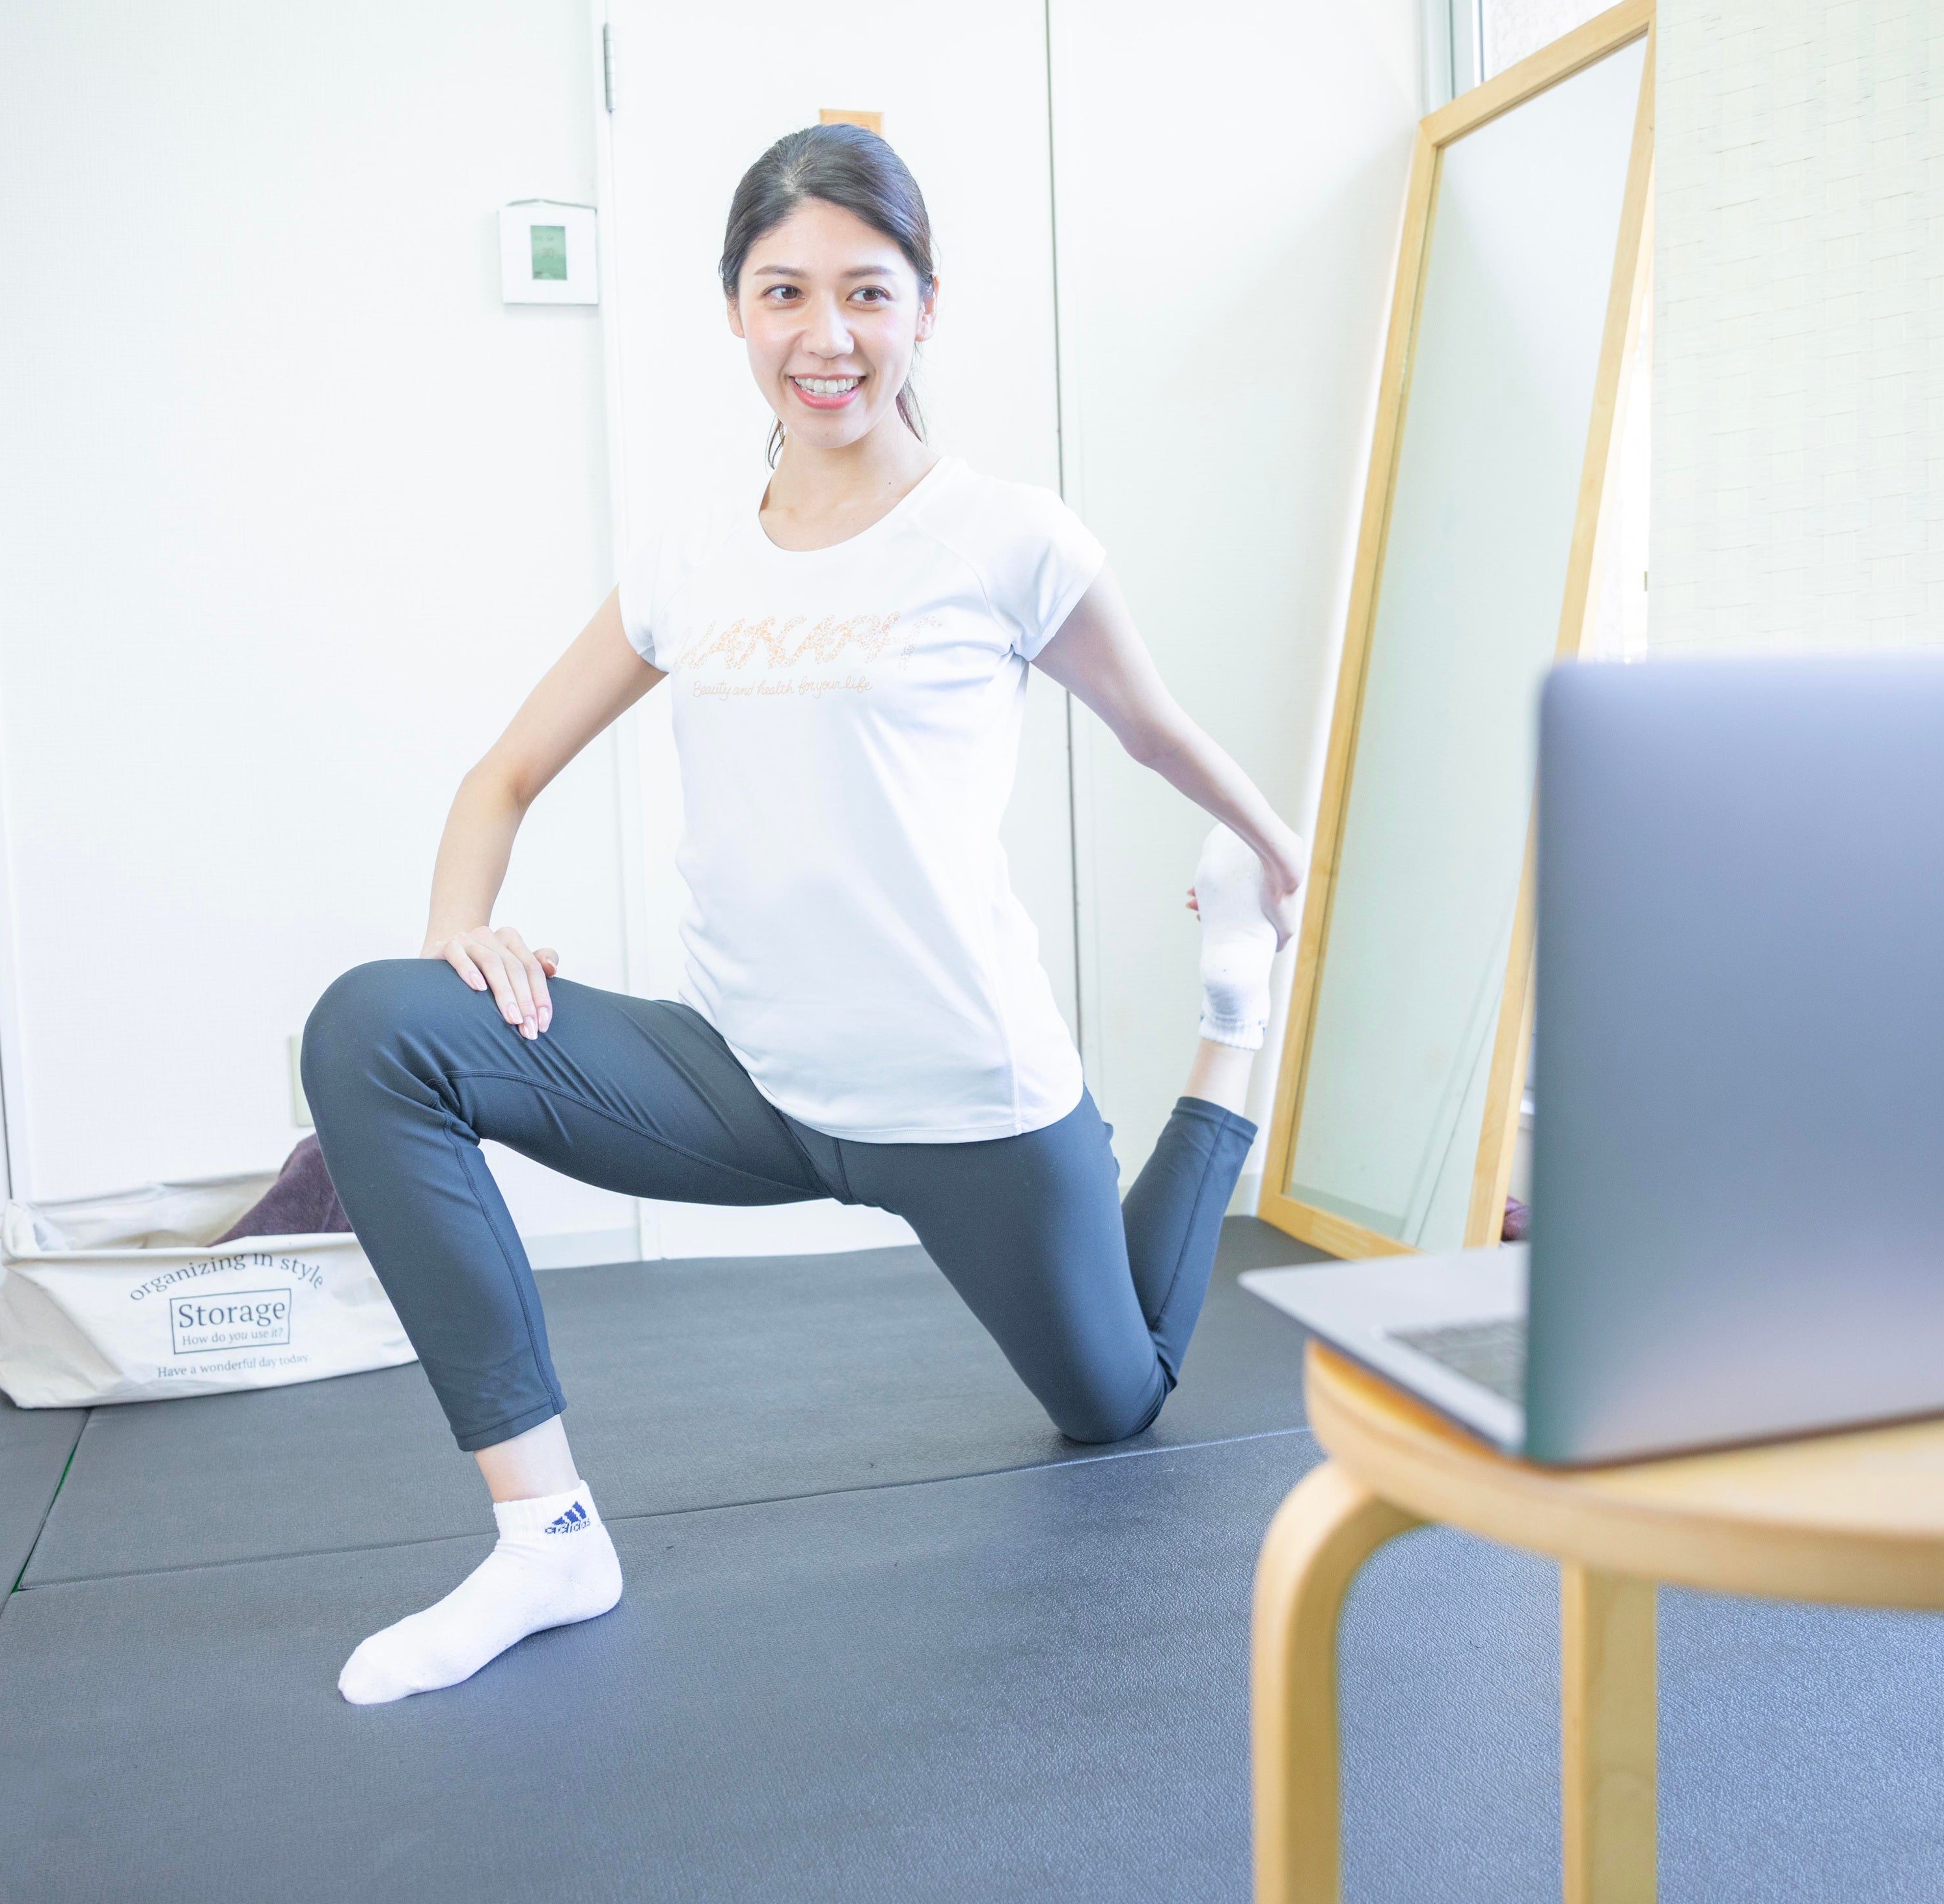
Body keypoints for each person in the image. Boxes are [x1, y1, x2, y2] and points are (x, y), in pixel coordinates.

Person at [300, 123, 1307, 1706]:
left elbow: (1152, 725)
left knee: (1113, 1403)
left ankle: (1229, 1016)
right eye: (784, 292)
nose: (825, 334)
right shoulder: (691, 560)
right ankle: (545, 1537)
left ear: (925, 310)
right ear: (735, 310)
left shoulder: (1007, 537)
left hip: (965, 1096)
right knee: (374, 1030)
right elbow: (503, 773)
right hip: (744, 1078)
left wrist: (1272, 849)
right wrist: (460, 929)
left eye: (866, 291)